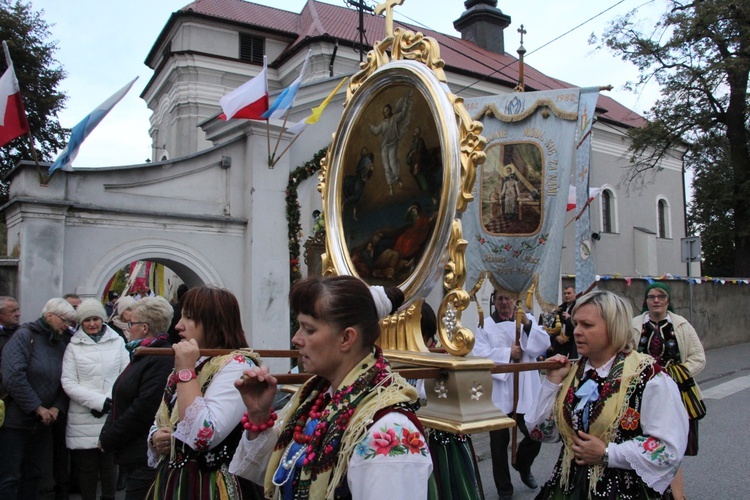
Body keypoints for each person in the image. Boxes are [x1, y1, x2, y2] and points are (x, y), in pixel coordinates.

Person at [229, 275, 432, 499]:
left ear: (346, 338)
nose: (296, 339)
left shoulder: (390, 430)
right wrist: (258, 415)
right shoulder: (315, 399)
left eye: (309, 329)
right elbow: (278, 473)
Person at [526, 290, 688, 498]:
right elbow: (540, 431)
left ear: (613, 327)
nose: (576, 332)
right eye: (576, 324)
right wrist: (552, 381)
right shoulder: (574, 373)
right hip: (569, 486)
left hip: (626, 490)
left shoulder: (649, 377)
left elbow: (667, 450)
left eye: (587, 325)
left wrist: (608, 454)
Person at [146, 285, 261, 499]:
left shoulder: (236, 366)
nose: (178, 326)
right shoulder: (193, 361)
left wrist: (186, 372)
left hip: (209, 485)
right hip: (173, 481)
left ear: (213, 323)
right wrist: (156, 437)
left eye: (188, 318)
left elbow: (203, 435)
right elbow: (166, 416)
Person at [471, 290, 550, 500]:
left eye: (508, 298)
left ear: (515, 300)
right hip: (499, 390)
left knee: (535, 432)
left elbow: (543, 344)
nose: (504, 302)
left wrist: (527, 324)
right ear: (494, 301)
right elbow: (479, 354)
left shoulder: (527, 319)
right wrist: (507, 354)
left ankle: (522, 464)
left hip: (525, 387)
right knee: (498, 443)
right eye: (500, 299)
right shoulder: (485, 325)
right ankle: (504, 489)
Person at [632, 282, 705, 500]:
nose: (656, 300)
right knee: (641, 440)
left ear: (668, 301)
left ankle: (677, 496)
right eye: (652, 296)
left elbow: (698, 358)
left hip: (676, 393)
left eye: (661, 296)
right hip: (642, 392)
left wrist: (675, 374)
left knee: (672, 446)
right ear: (646, 301)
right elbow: (624, 354)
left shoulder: (681, 325)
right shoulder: (635, 325)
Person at [99, 296, 176, 500]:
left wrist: (110, 437)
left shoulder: (160, 358)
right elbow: (121, 398)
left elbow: (143, 408)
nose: (127, 328)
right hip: (133, 453)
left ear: (144, 328)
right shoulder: (143, 353)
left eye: (130, 323)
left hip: (144, 455)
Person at [0, 297, 77, 500]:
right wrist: (37, 407)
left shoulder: (60, 342)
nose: (67, 326)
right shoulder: (25, 336)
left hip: (43, 423)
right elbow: (13, 376)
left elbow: (66, 379)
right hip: (15, 421)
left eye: (70, 322)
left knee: (34, 474)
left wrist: (56, 408)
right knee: (10, 476)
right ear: (49, 316)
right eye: (65, 320)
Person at [61, 299, 129, 500]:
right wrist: (96, 402)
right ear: (81, 323)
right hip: (84, 414)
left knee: (109, 467)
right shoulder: (73, 347)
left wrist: (109, 401)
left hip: (111, 412)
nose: (92, 324)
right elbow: (68, 382)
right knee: (87, 469)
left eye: (96, 319)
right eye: (87, 320)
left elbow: (125, 374)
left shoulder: (117, 342)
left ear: (102, 319)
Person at [369, 93, 413, 195]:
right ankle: (390, 186)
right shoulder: (383, 123)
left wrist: (406, 103)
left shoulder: (394, 118)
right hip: (384, 146)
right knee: (386, 166)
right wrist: (370, 126)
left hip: (393, 144)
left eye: (387, 110)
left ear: (390, 110)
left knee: (393, 163)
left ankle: (398, 179)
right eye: (384, 112)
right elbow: (376, 131)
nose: (386, 113)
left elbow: (402, 114)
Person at [551, 285, 577, 358]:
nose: (566, 295)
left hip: (571, 344)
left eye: (569, 293)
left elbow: (578, 326)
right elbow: (553, 326)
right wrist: (557, 336)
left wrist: (569, 319)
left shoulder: (578, 308)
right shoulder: (560, 308)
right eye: (565, 293)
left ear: (575, 294)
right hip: (559, 345)